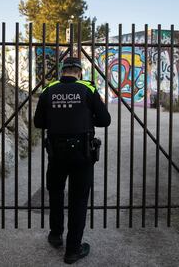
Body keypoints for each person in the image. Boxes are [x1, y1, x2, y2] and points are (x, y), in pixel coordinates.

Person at [34, 57, 111, 264]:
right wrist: (85, 117)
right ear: (79, 72)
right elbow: (105, 120)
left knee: (56, 193)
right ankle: (73, 250)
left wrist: (58, 117)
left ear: (62, 71)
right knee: (78, 199)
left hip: (56, 153)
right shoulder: (88, 89)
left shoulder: (49, 89)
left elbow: (38, 122)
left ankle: (56, 235)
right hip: (82, 154)